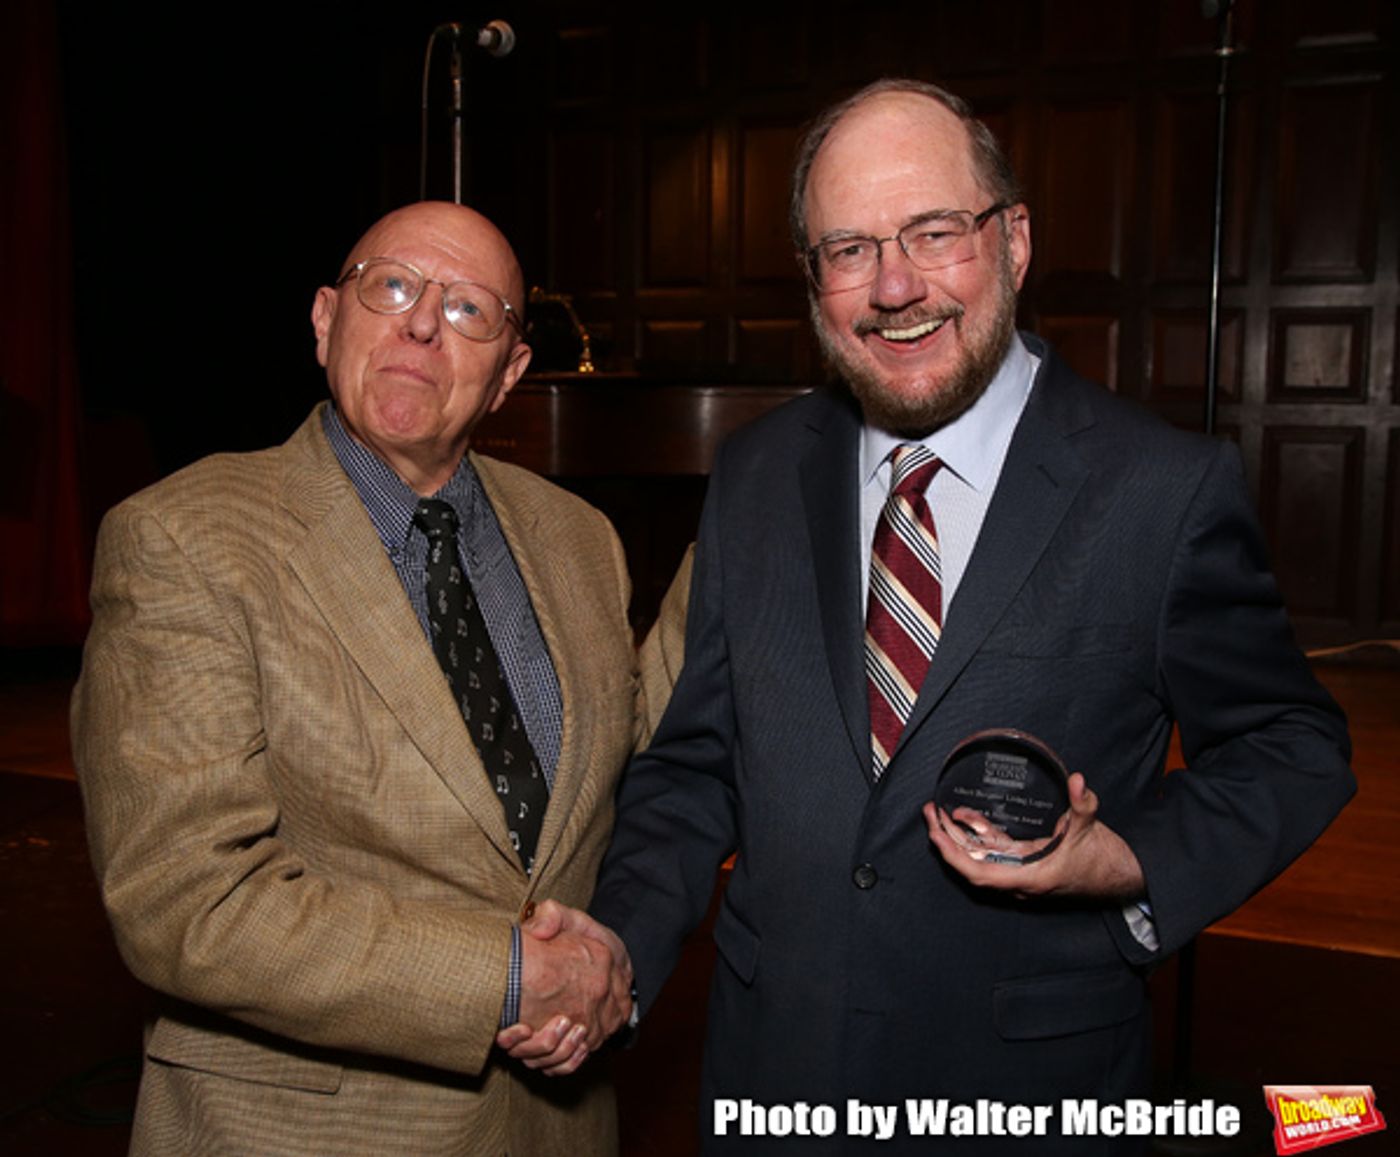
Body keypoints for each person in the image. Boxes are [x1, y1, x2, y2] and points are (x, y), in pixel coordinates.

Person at [580, 79, 1356, 1154]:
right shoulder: (755, 474)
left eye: (933, 232)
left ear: (1014, 240)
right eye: (847, 249)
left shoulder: (1158, 489)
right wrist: (612, 949)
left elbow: (1291, 745)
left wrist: (1125, 856)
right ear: (811, 279)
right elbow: (694, 762)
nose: (893, 285)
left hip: (1025, 1089)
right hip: (772, 1077)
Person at [71, 201, 639, 1156]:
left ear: (510, 374)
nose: (421, 322)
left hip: (555, 1127)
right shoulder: (184, 536)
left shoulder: (581, 541)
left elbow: (629, 785)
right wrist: (507, 976)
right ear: (327, 318)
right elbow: (187, 900)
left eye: (469, 310)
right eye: (394, 287)